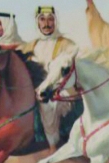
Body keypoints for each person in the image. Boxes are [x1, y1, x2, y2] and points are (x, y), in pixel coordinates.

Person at [21, 6, 78, 150]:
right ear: (37, 22)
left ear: (55, 21)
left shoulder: (67, 44)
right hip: (35, 89)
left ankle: (53, 146)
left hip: (61, 90)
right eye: (42, 19)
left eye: (50, 19)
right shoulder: (30, 46)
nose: (46, 24)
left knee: (48, 104)